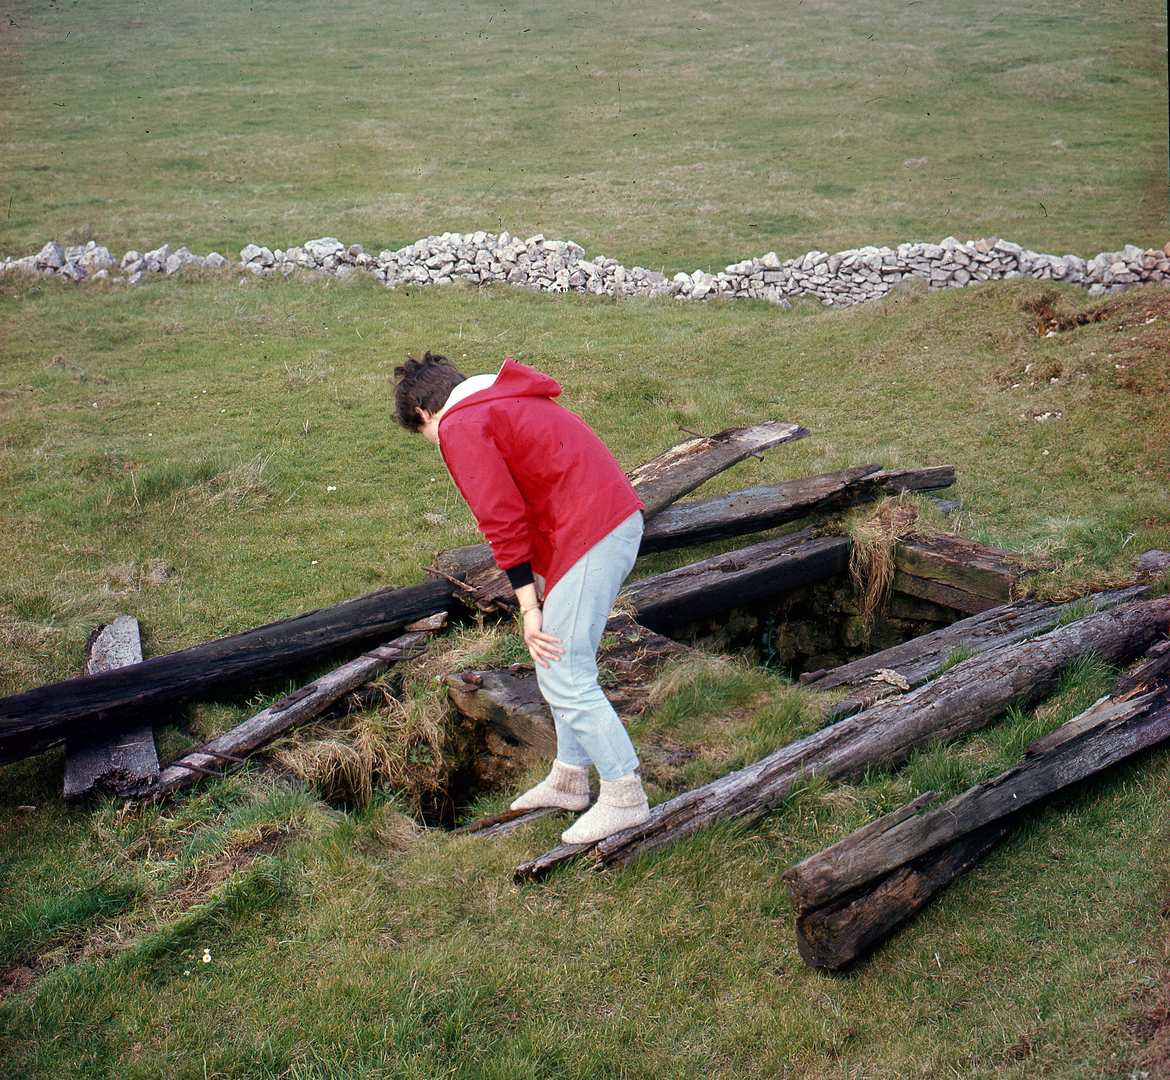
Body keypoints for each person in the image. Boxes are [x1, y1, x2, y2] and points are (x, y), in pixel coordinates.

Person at [394, 350, 651, 844]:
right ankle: (570, 779)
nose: (433, 443)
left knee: (564, 670)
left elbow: (501, 517)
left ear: (425, 413)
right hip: (599, 525)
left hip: (591, 532)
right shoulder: (500, 401)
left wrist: (528, 607)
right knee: (563, 664)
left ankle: (625, 796)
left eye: (423, 434)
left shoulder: (461, 424)